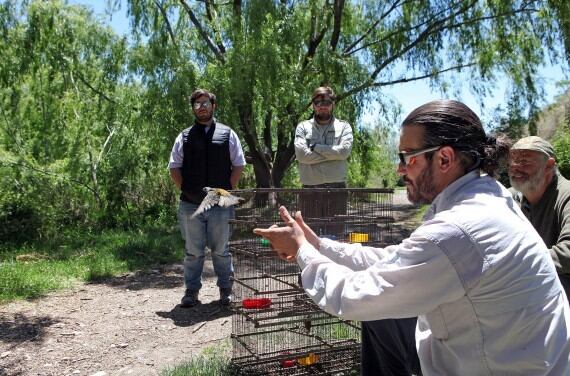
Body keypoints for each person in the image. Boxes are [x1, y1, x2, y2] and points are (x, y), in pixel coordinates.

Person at [254, 100, 570, 375]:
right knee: (383, 317)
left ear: (445, 159)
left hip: (502, 366)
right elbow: (400, 260)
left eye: (408, 157)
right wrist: (320, 245)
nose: (400, 169)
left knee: (376, 308)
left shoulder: (459, 228)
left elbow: (353, 296)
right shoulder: (486, 195)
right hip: (519, 353)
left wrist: (301, 251)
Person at [169, 89, 246, 308]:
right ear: (193, 108)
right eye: (197, 104)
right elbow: (174, 167)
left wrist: (228, 188)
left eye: (205, 103)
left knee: (221, 250)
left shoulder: (227, 134)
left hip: (221, 204)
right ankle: (191, 292)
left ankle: (226, 290)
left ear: (213, 105)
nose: (201, 107)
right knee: (193, 252)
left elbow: (238, 164)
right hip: (190, 204)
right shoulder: (184, 136)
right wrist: (185, 188)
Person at [508, 136, 570, 295]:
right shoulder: (510, 198)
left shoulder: (566, 195)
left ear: (548, 165)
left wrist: (515, 264)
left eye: (524, 161)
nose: (515, 167)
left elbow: (567, 253)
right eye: (512, 161)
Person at [294, 86, 353, 236]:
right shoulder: (303, 127)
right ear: (313, 105)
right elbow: (301, 155)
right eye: (318, 103)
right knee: (309, 236)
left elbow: (344, 152)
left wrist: (315, 147)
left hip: (337, 191)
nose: (322, 106)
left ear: (333, 103)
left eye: (326, 102)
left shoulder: (344, 127)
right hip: (309, 191)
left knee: (336, 238)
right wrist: (332, 154)